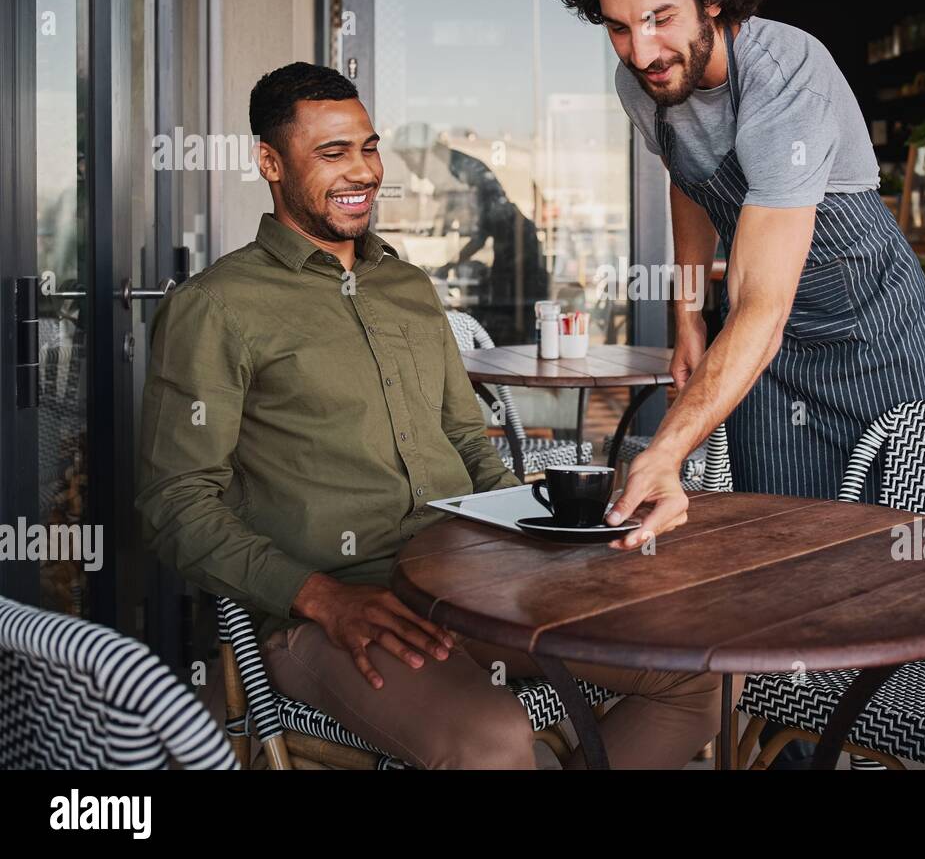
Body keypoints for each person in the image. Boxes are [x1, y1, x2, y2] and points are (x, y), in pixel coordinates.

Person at [135, 62, 739, 769]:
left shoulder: (410, 288)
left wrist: (539, 537)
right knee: (492, 742)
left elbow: (464, 440)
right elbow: (174, 504)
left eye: (368, 146)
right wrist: (320, 597)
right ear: (269, 162)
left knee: (700, 680)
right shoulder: (215, 307)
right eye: (332, 153)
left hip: (469, 583)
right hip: (336, 609)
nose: (363, 170)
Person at [551, 0, 925, 767]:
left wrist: (665, 448)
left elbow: (765, 308)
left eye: (659, 20)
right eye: (619, 26)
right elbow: (688, 180)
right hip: (763, 324)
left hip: (864, 323)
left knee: (895, 554)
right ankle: (797, 742)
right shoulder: (642, 80)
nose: (641, 49)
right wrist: (689, 310)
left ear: (715, 3)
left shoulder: (787, 77)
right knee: (783, 550)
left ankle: (904, 735)